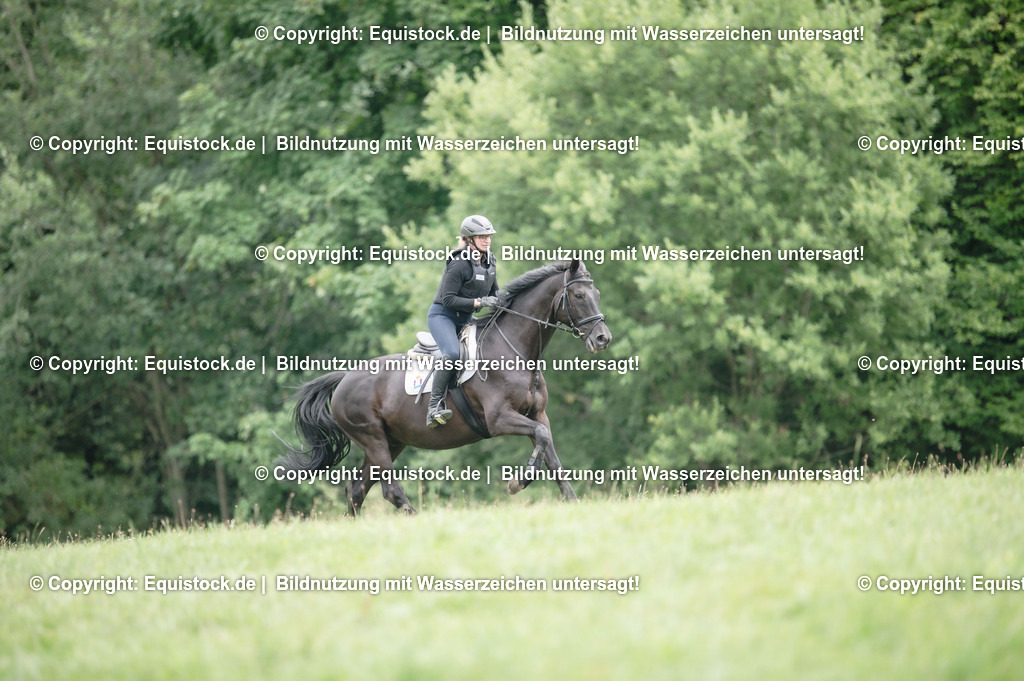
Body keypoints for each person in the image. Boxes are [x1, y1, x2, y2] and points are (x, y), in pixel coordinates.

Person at [425, 215, 501, 427]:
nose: (487, 240)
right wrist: (479, 302)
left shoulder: (490, 261)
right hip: (443, 316)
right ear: (469, 239)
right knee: (452, 354)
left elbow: (495, 293)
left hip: (467, 318)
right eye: (482, 237)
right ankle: (433, 407)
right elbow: (448, 299)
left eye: (489, 236)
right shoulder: (459, 263)